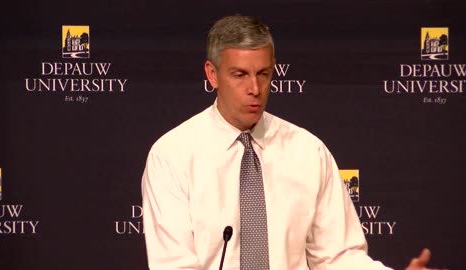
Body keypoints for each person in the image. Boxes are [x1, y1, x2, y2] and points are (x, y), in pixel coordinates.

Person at [141, 14, 435, 270]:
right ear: (212, 74)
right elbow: (174, 265)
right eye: (240, 75)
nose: (254, 89)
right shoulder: (172, 156)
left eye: (263, 74)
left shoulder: (308, 151)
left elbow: (337, 258)